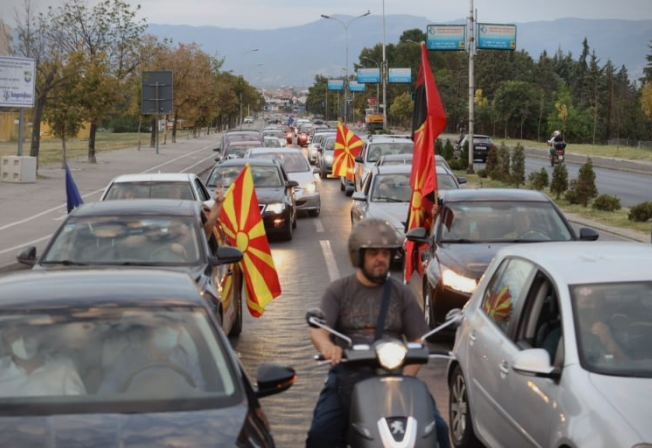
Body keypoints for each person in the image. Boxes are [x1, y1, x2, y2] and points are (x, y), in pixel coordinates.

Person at [305, 218, 451, 448]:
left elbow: (418, 341)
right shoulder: (339, 290)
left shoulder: (401, 293)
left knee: (439, 432)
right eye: (373, 253)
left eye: (385, 253)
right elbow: (318, 330)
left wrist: (405, 377)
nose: (380, 258)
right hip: (348, 375)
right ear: (359, 255)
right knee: (321, 434)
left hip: (395, 374)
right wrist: (328, 347)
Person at [98, 322, 204, 394]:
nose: (167, 330)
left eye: (173, 326)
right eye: (162, 325)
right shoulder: (126, 361)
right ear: (150, 331)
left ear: (180, 333)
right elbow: (106, 395)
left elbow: (199, 393)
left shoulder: (186, 361)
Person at [0, 321, 86, 397]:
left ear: (38, 336)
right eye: (14, 336)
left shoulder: (63, 366)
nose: (22, 342)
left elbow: (80, 408)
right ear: (6, 342)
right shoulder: (1, 369)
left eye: (27, 335)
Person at [575, 287, 629, 363]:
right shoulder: (562, 336)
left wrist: (609, 340)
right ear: (575, 305)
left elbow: (626, 364)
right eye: (587, 302)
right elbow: (557, 370)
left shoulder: (615, 333)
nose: (594, 306)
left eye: (598, 302)